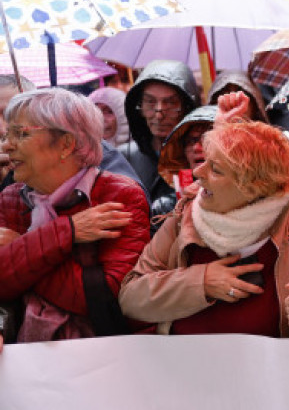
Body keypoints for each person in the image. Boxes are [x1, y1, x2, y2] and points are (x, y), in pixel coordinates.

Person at [118, 121, 289, 344]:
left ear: (253, 186)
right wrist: (201, 282)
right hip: (186, 372)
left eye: (215, 169)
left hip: (270, 375)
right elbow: (131, 298)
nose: (198, 172)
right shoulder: (184, 217)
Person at [0, 88, 149, 343]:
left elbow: (105, 296)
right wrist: (65, 232)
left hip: (103, 357)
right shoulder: (11, 198)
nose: (6, 145)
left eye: (21, 134)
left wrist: (18, 252)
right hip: (23, 361)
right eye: (7, 134)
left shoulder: (119, 195)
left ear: (66, 144)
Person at [121, 60, 199, 210]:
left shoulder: (199, 157)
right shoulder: (124, 157)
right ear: (139, 107)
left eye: (171, 104)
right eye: (150, 102)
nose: (159, 114)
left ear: (187, 107)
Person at [151, 105, 217, 220]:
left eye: (206, 140)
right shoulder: (164, 207)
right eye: (190, 141)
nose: (196, 147)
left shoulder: (249, 199)